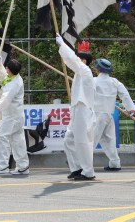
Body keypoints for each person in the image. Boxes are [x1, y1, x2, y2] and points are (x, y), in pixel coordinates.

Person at [56, 35, 96, 181]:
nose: (77, 60)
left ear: (84, 61)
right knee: (69, 140)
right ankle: (77, 168)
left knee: (81, 141)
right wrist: (63, 47)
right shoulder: (80, 73)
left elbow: (71, 60)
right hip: (77, 109)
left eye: (80, 58)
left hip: (83, 109)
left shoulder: (85, 71)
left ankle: (88, 171)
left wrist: (62, 45)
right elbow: (70, 61)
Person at [0, 58, 30, 176]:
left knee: (2, 137)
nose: (6, 69)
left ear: (10, 70)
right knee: (17, 141)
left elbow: (4, 101)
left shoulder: (14, 84)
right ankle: (23, 166)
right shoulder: (13, 78)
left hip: (12, 117)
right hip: (15, 115)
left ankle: (3, 166)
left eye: (7, 68)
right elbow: (3, 77)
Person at [92, 58, 135, 171]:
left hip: (96, 115)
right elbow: (124, 95)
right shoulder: (115, 81)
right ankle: (115, 163)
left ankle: (79, 162)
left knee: (91, 139)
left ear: (97, 69)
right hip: (108, 114)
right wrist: (130, 108)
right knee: (109, 139)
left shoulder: (93, 81)